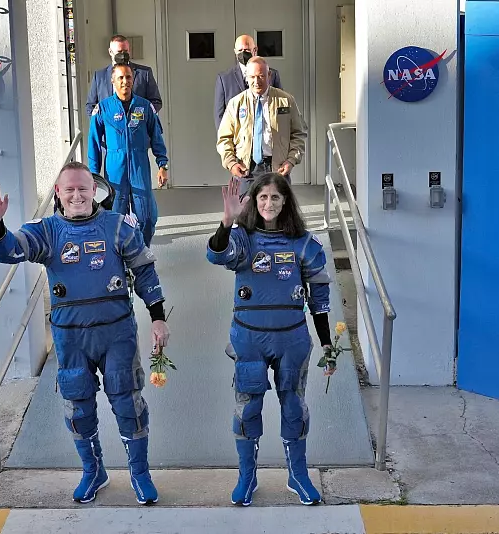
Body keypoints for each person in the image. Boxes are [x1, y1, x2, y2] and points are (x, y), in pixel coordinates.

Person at [0, 162, 170, 506]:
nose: (77, 195)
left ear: (94, 190)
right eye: (70, 189)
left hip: (117, 333)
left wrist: (157, 317)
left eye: (83, 188)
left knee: (129, 403)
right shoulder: (47, 231)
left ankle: (140, 474)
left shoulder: (118, 226)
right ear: (58, 193)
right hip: (71, 338)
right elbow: (10, 250)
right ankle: (93, 471)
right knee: (78, 407)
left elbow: (144, 270)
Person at [206, 173, 335, 506]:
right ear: (254, 201)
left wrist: (326, 343)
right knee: (248, 409)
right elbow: (217, 255)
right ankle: (247, 477)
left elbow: (319, 299)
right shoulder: (242, 238)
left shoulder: (305, 243)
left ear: (286, 201)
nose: (268, 203)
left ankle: (298, 475)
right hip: (249, 339)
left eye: (275, 197)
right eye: (262, 197)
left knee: (294, 408)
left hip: (292, 339)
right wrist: (226, 222)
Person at [88, 63, 168, 247]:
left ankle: (142, 251)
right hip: (115, 170)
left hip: (139, 167)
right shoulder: (103, 108)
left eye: (128, 77)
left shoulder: (145, 106)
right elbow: (94, 143)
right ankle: (118, 256)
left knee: (147, 217)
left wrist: (162, 165)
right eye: (120, 78)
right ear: (113, 81)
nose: (125, 81)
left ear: (133, 80)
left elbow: (157, 138)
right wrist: (93, 174)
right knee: (114, 219)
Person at [216, 57, 306, 199]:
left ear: (269, 75)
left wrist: (291, 160)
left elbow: (298, 133)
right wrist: (231, 163)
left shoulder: (286, 100)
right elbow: (224, 138)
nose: (256, 81)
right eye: (252, 77)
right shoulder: (236, 103)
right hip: (247, 170)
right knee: (247, 211)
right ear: (246, 77)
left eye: (261, 76)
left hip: (277, 168)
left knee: (278, 210)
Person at [214, 34, 283, 128]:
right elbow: (219, 115)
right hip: (238, 134)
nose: (243, 53)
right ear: (235, 51)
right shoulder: (224, 79)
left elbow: (281, 106)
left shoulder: (272, 75)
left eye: (246, 50)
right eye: (240, 50)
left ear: (255, 50)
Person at [86, 35, 162, 116]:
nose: (122, 55)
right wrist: (102, 121)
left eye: (125, 51)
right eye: (119, 52)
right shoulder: (99, 77)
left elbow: (156, 102)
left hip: (137, 121)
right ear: (110, 52)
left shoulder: (144, 73)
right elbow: (91, 106)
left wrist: (141, 116)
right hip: (109, 122)